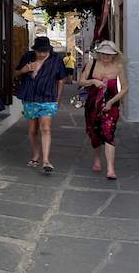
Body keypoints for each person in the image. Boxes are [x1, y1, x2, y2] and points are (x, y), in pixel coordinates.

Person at [15, 36, 67, 173]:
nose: (42, 54)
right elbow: (15, 74)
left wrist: (58, 100)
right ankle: (35, 154)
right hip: (30, 97)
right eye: (39, 51)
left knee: (46, 128)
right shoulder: (27, 57)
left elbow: (61, 80)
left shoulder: (56, 60)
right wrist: (23, 70)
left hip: (48, 99)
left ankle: (46, 161)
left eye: (45, 51)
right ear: (35, 50)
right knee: (33, 130)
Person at [79, 40, 129, 180]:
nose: (106, 57)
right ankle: (96, 158)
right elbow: (81, 81)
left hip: (111, 105)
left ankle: (110, 169)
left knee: (108, 133)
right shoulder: (92, 64)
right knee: (94, 132)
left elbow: (125, 87)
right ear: (99, 54)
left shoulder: (118, 67)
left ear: (114, 55)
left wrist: (112, 102)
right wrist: (92, 81)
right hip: (92, 105)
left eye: (109, 55)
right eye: (103, 54)